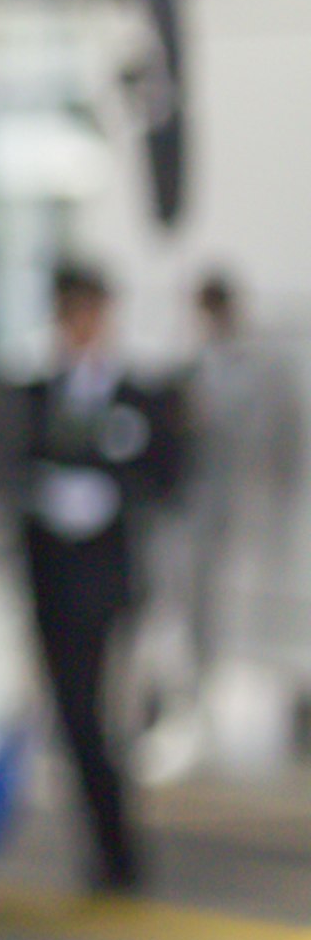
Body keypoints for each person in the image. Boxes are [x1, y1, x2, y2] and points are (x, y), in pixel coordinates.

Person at [20, 263, 179, 892]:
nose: (81, 327)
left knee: (107, 718)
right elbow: (9, 462)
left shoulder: (140, 395)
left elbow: (169, 476)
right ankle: (108, 849)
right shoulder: (36, 391)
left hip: (109, 583)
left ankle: (120, 854)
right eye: (70, 314)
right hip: (52, 582)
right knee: (76, 718)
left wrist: (112, 487)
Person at [176, 270, 301, 702]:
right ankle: (204, 686)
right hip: (205, 499)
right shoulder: (192, 365)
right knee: (203, 598)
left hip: (254, 496)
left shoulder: (265, 365)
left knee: (259, 600)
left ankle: (271, 688)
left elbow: (283, 433)